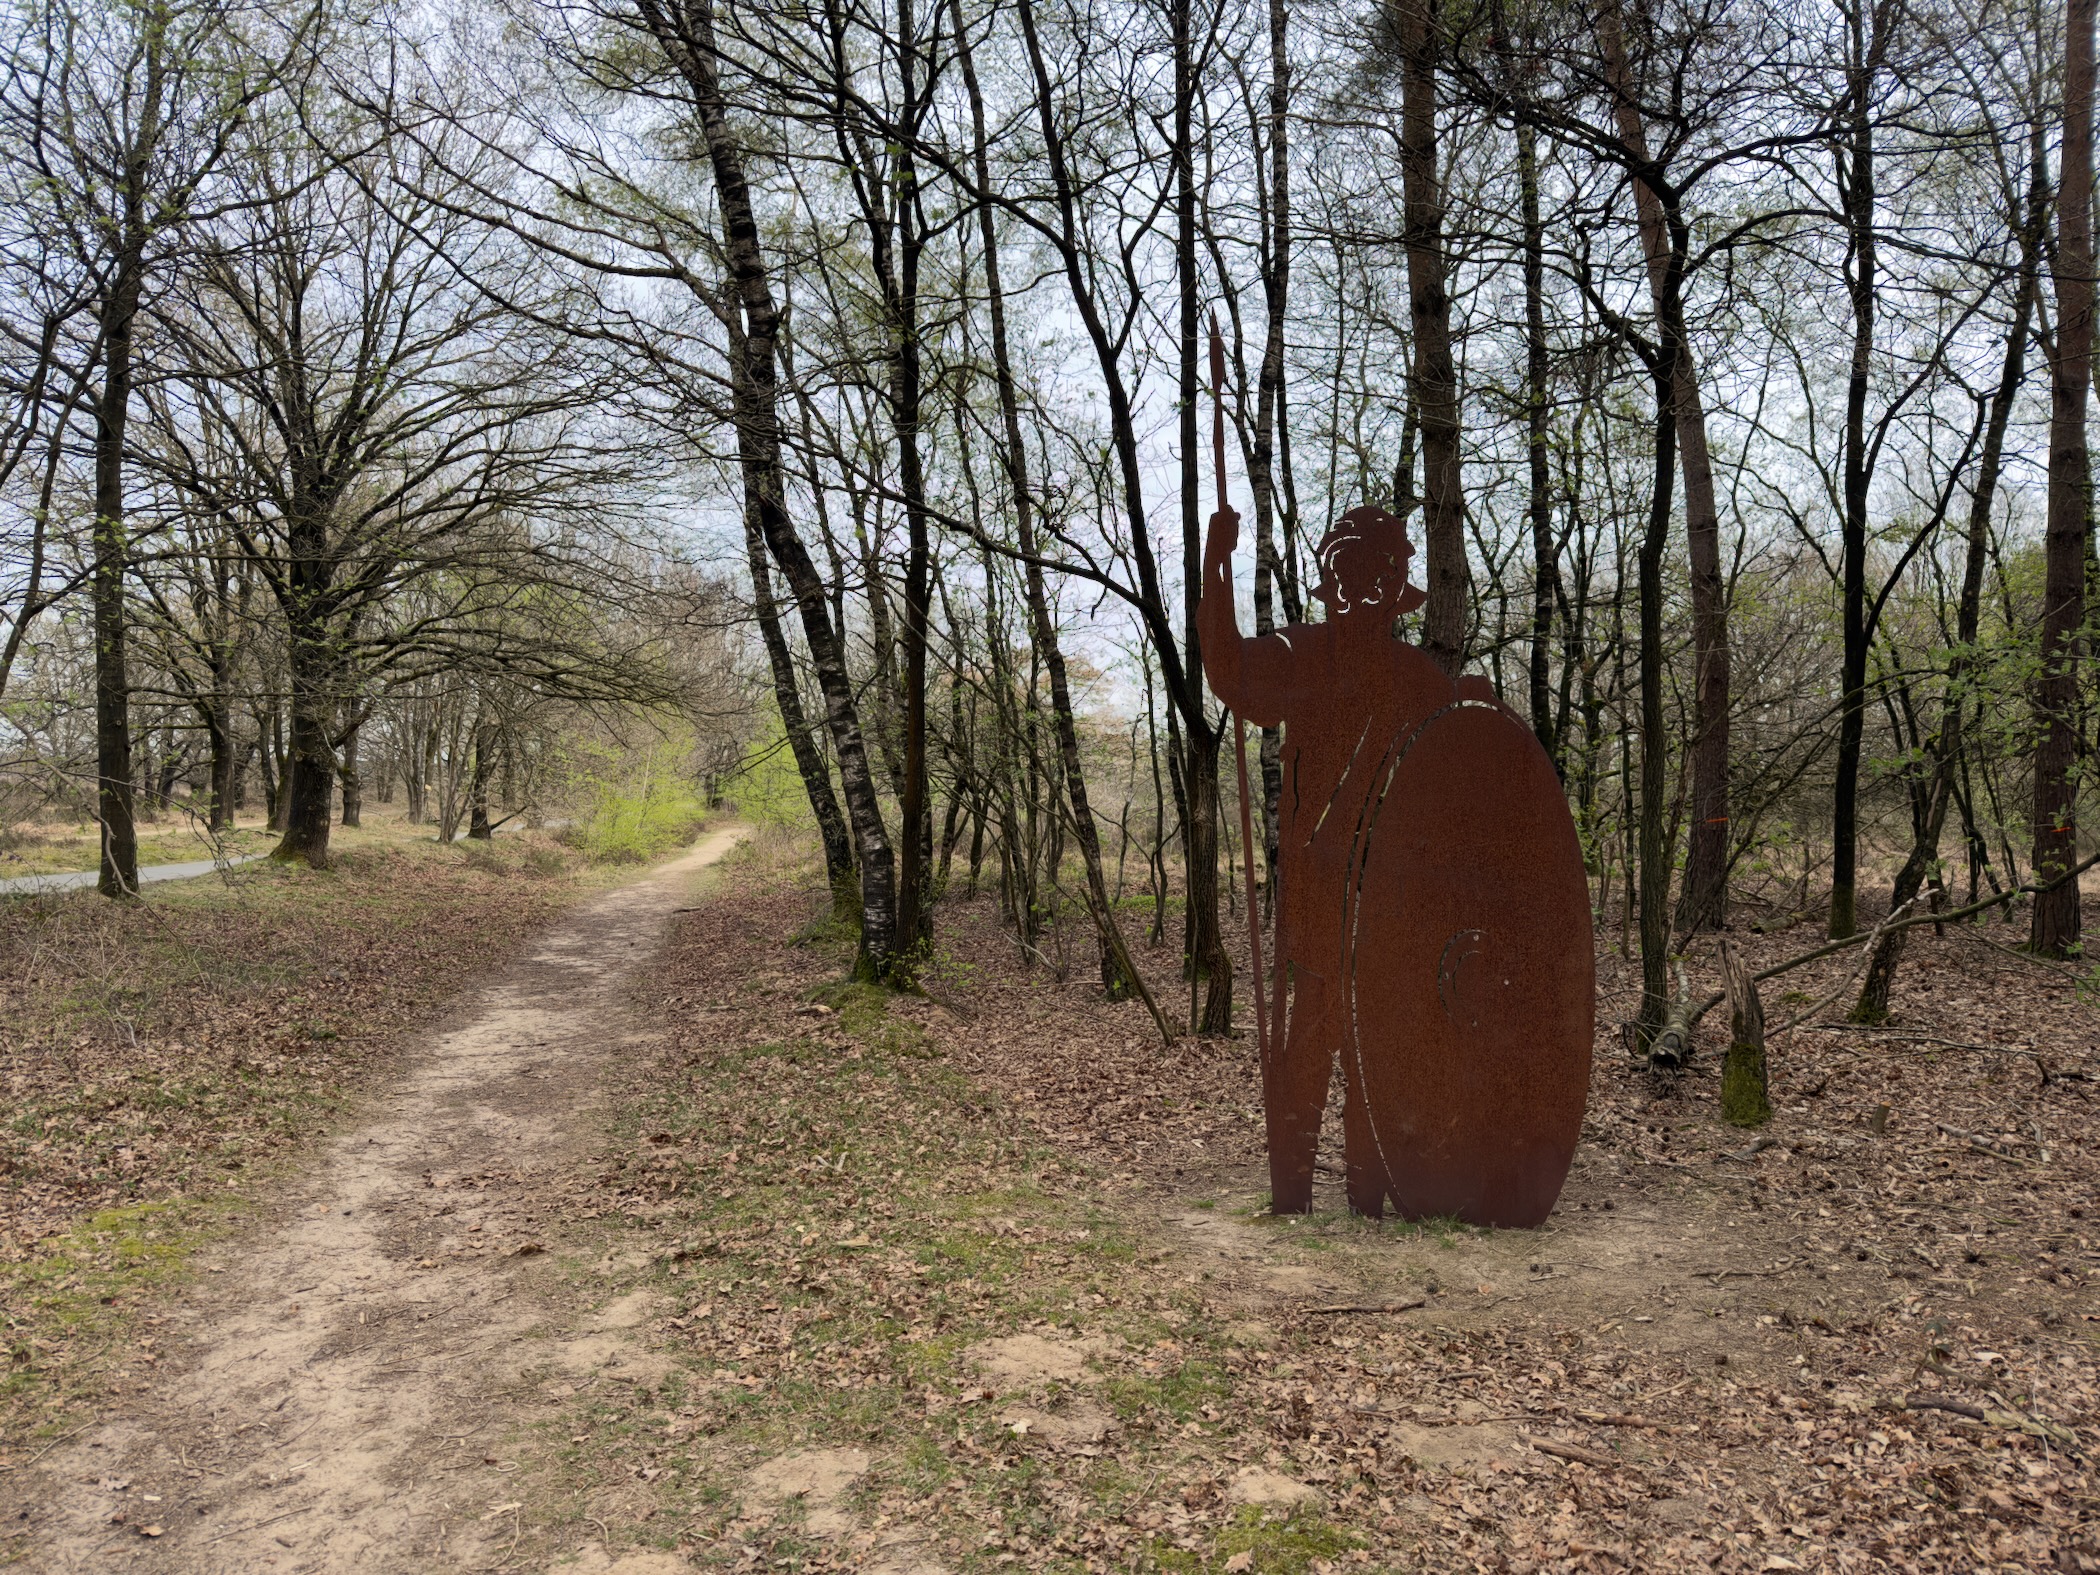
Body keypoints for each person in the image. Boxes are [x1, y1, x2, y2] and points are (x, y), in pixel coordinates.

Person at [1198, 499, 1504, 1215]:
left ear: (1390, 589)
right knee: (1312, 1037)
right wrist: (1216, 566)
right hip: (1318, 894)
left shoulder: (1420, 681)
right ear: (1331, 583)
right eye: (1343, 576)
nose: (1355, 593)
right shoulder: (1303, 656)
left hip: (1394, 906)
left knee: (1379, 1045)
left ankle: (1373, 1191)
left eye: (1372, 578)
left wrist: (1477, 716)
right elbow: (1231, 670)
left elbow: (1455, 792)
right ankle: (1295, 1191)